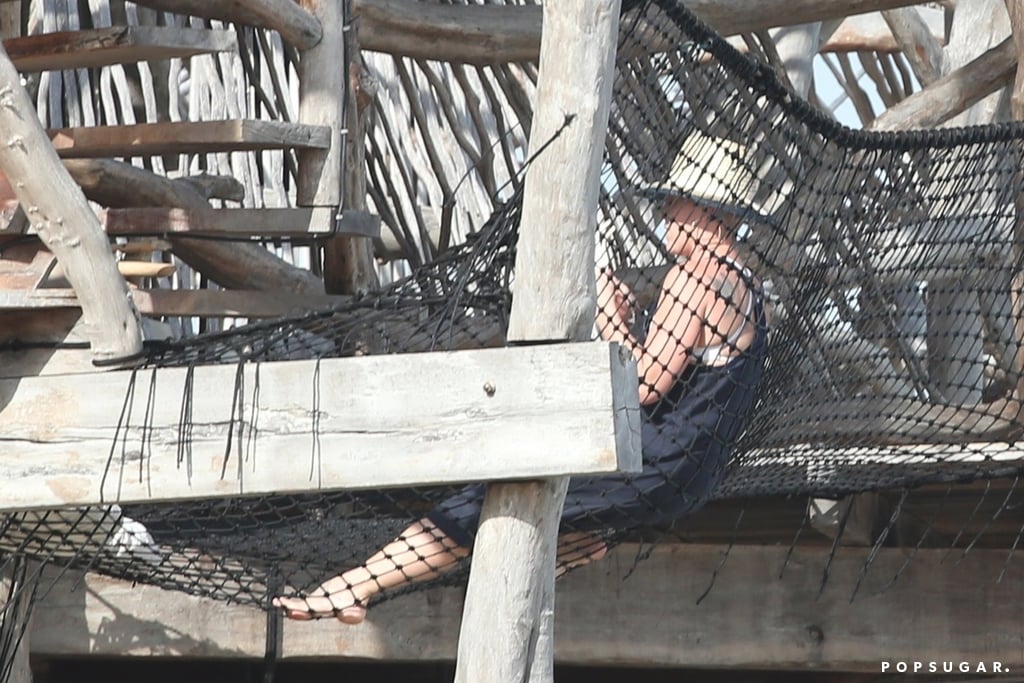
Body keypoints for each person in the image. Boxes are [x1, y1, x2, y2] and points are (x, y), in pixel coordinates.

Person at [272, 134, 770, 624]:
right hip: (690, 477)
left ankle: (351, 587)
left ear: (705, 208)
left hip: (653, 464)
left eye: (673, 203)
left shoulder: (696, 276)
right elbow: (690, 383)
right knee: (537, 512)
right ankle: (571, 545)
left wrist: (612, 321)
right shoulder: (746, 284)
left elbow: (643, 387)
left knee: (483, 499)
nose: (663, 214)